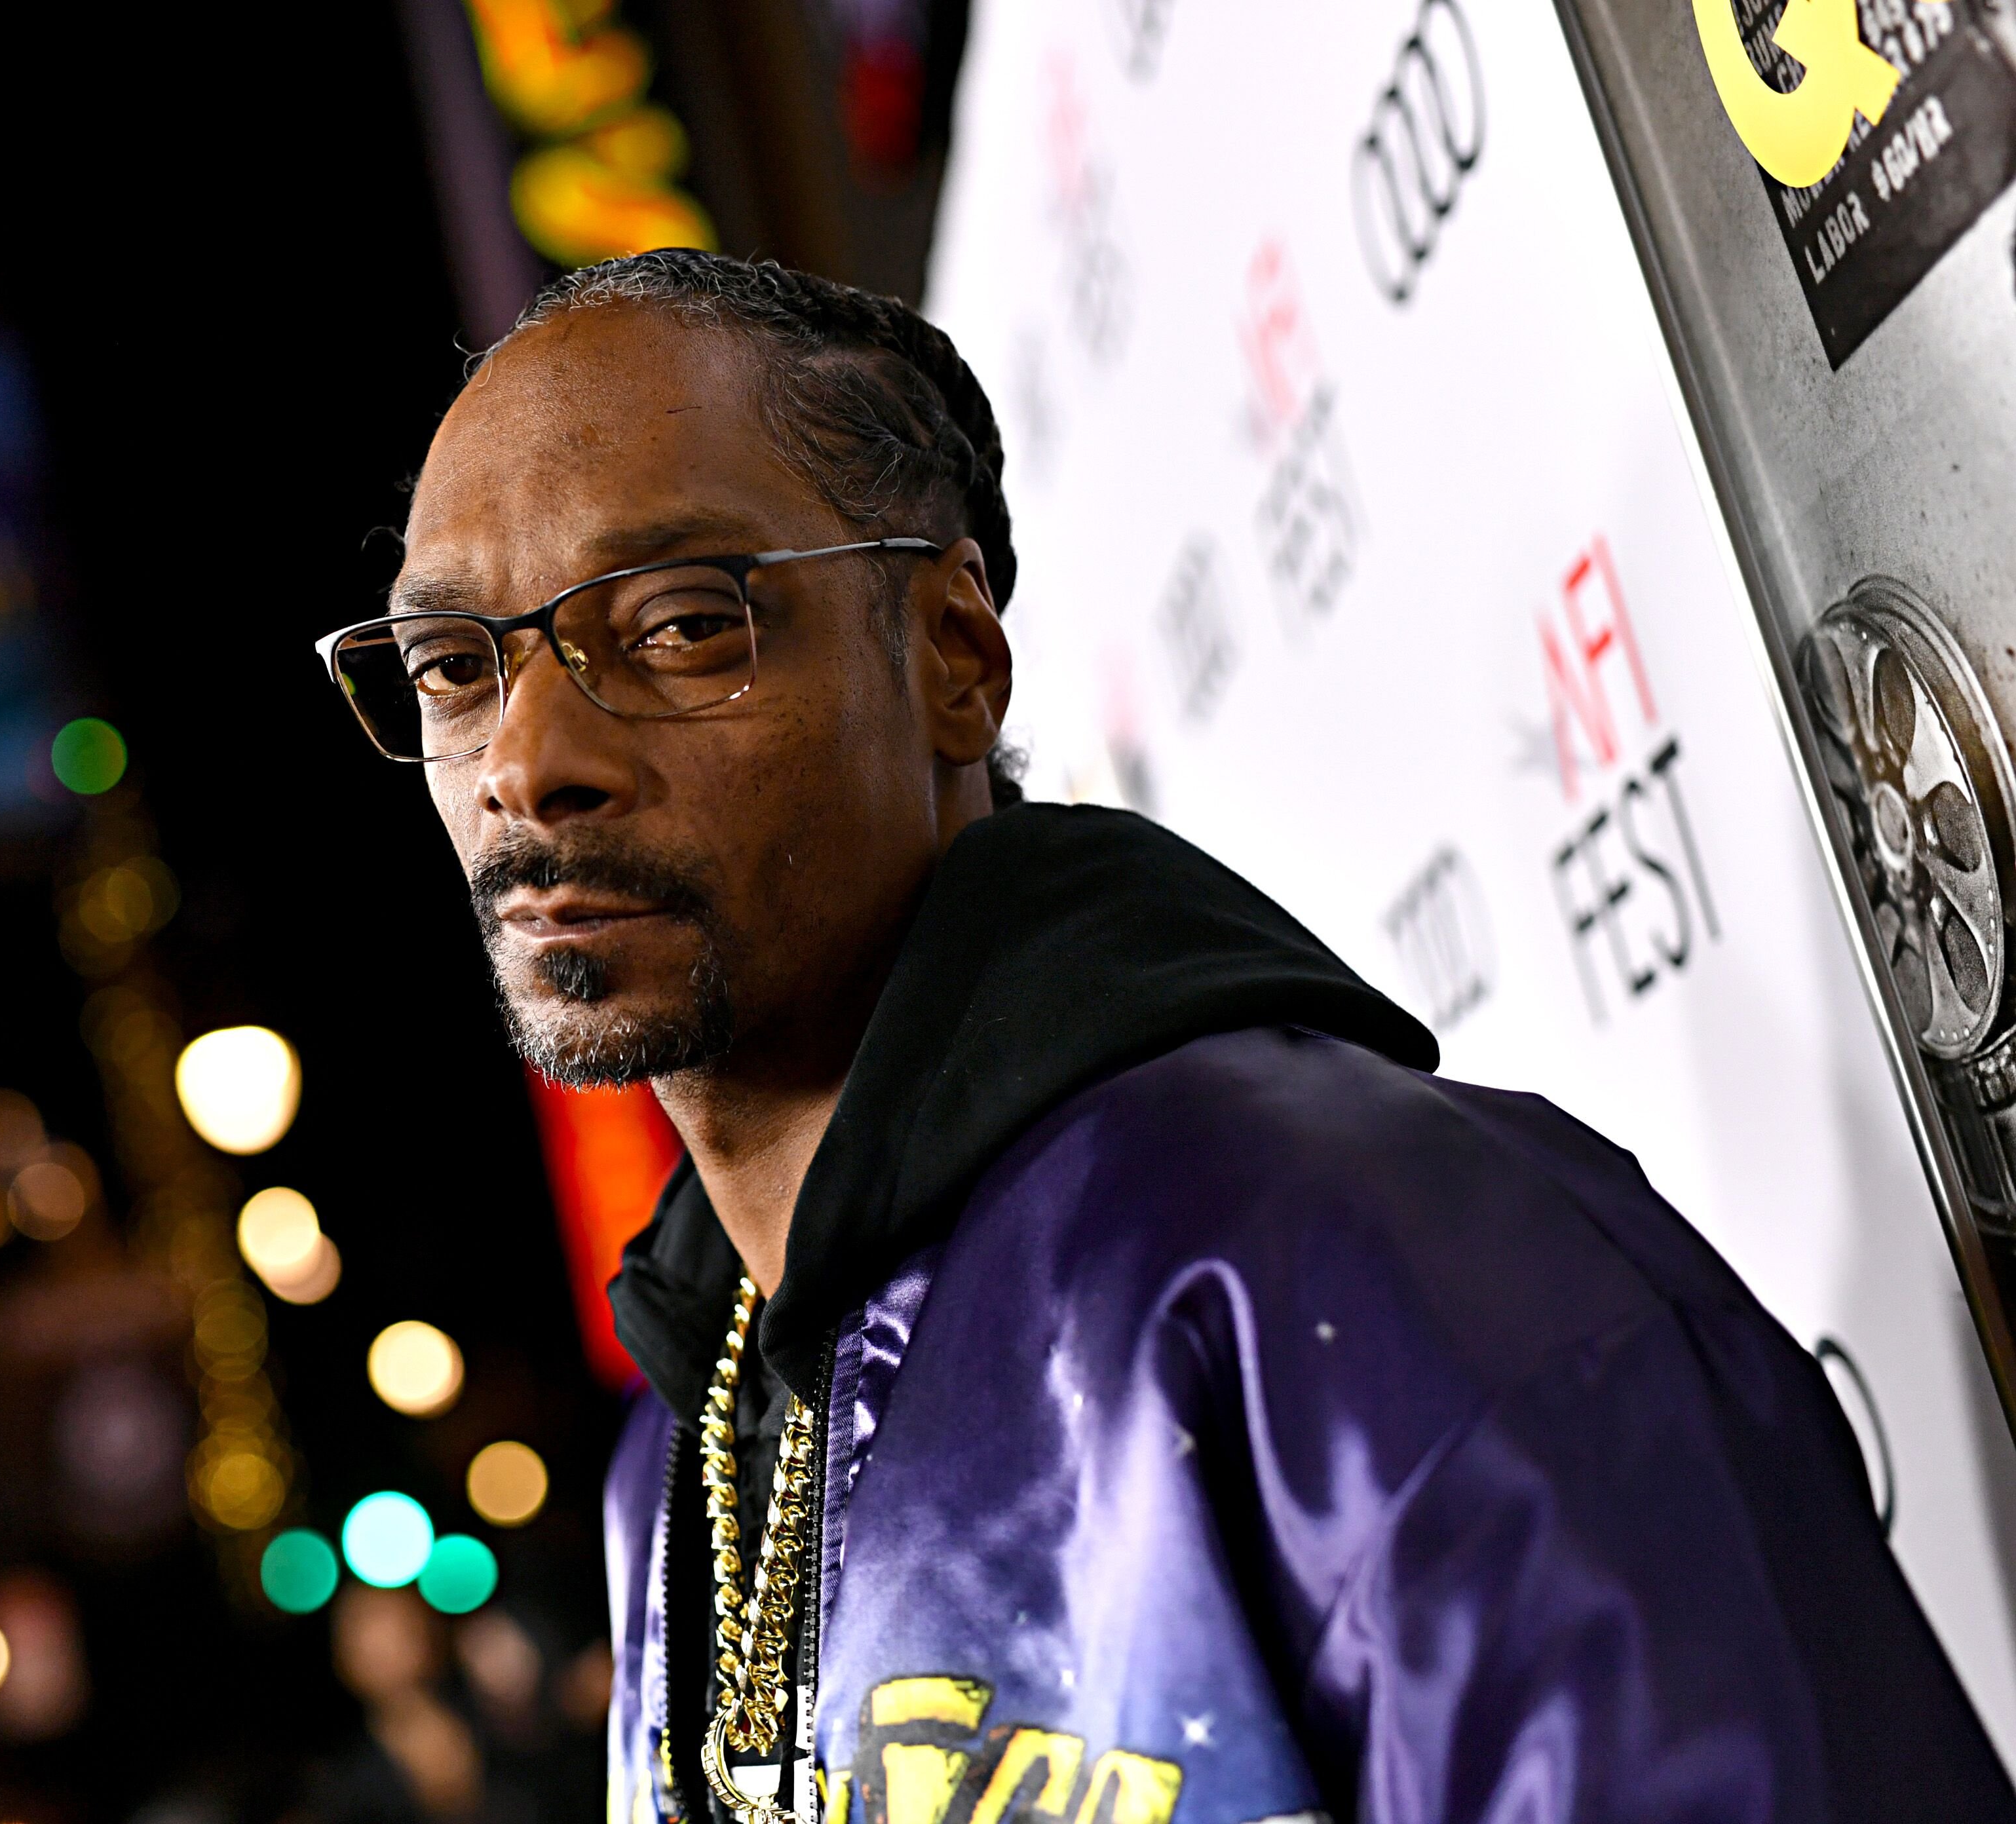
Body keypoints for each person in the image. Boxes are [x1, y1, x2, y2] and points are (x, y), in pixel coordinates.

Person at [310, 250, 2015, 1824]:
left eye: (681, 625)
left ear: (954, 658)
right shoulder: (676, 1463)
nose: (529, 758)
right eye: (456, 664)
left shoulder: (1365, 1249)